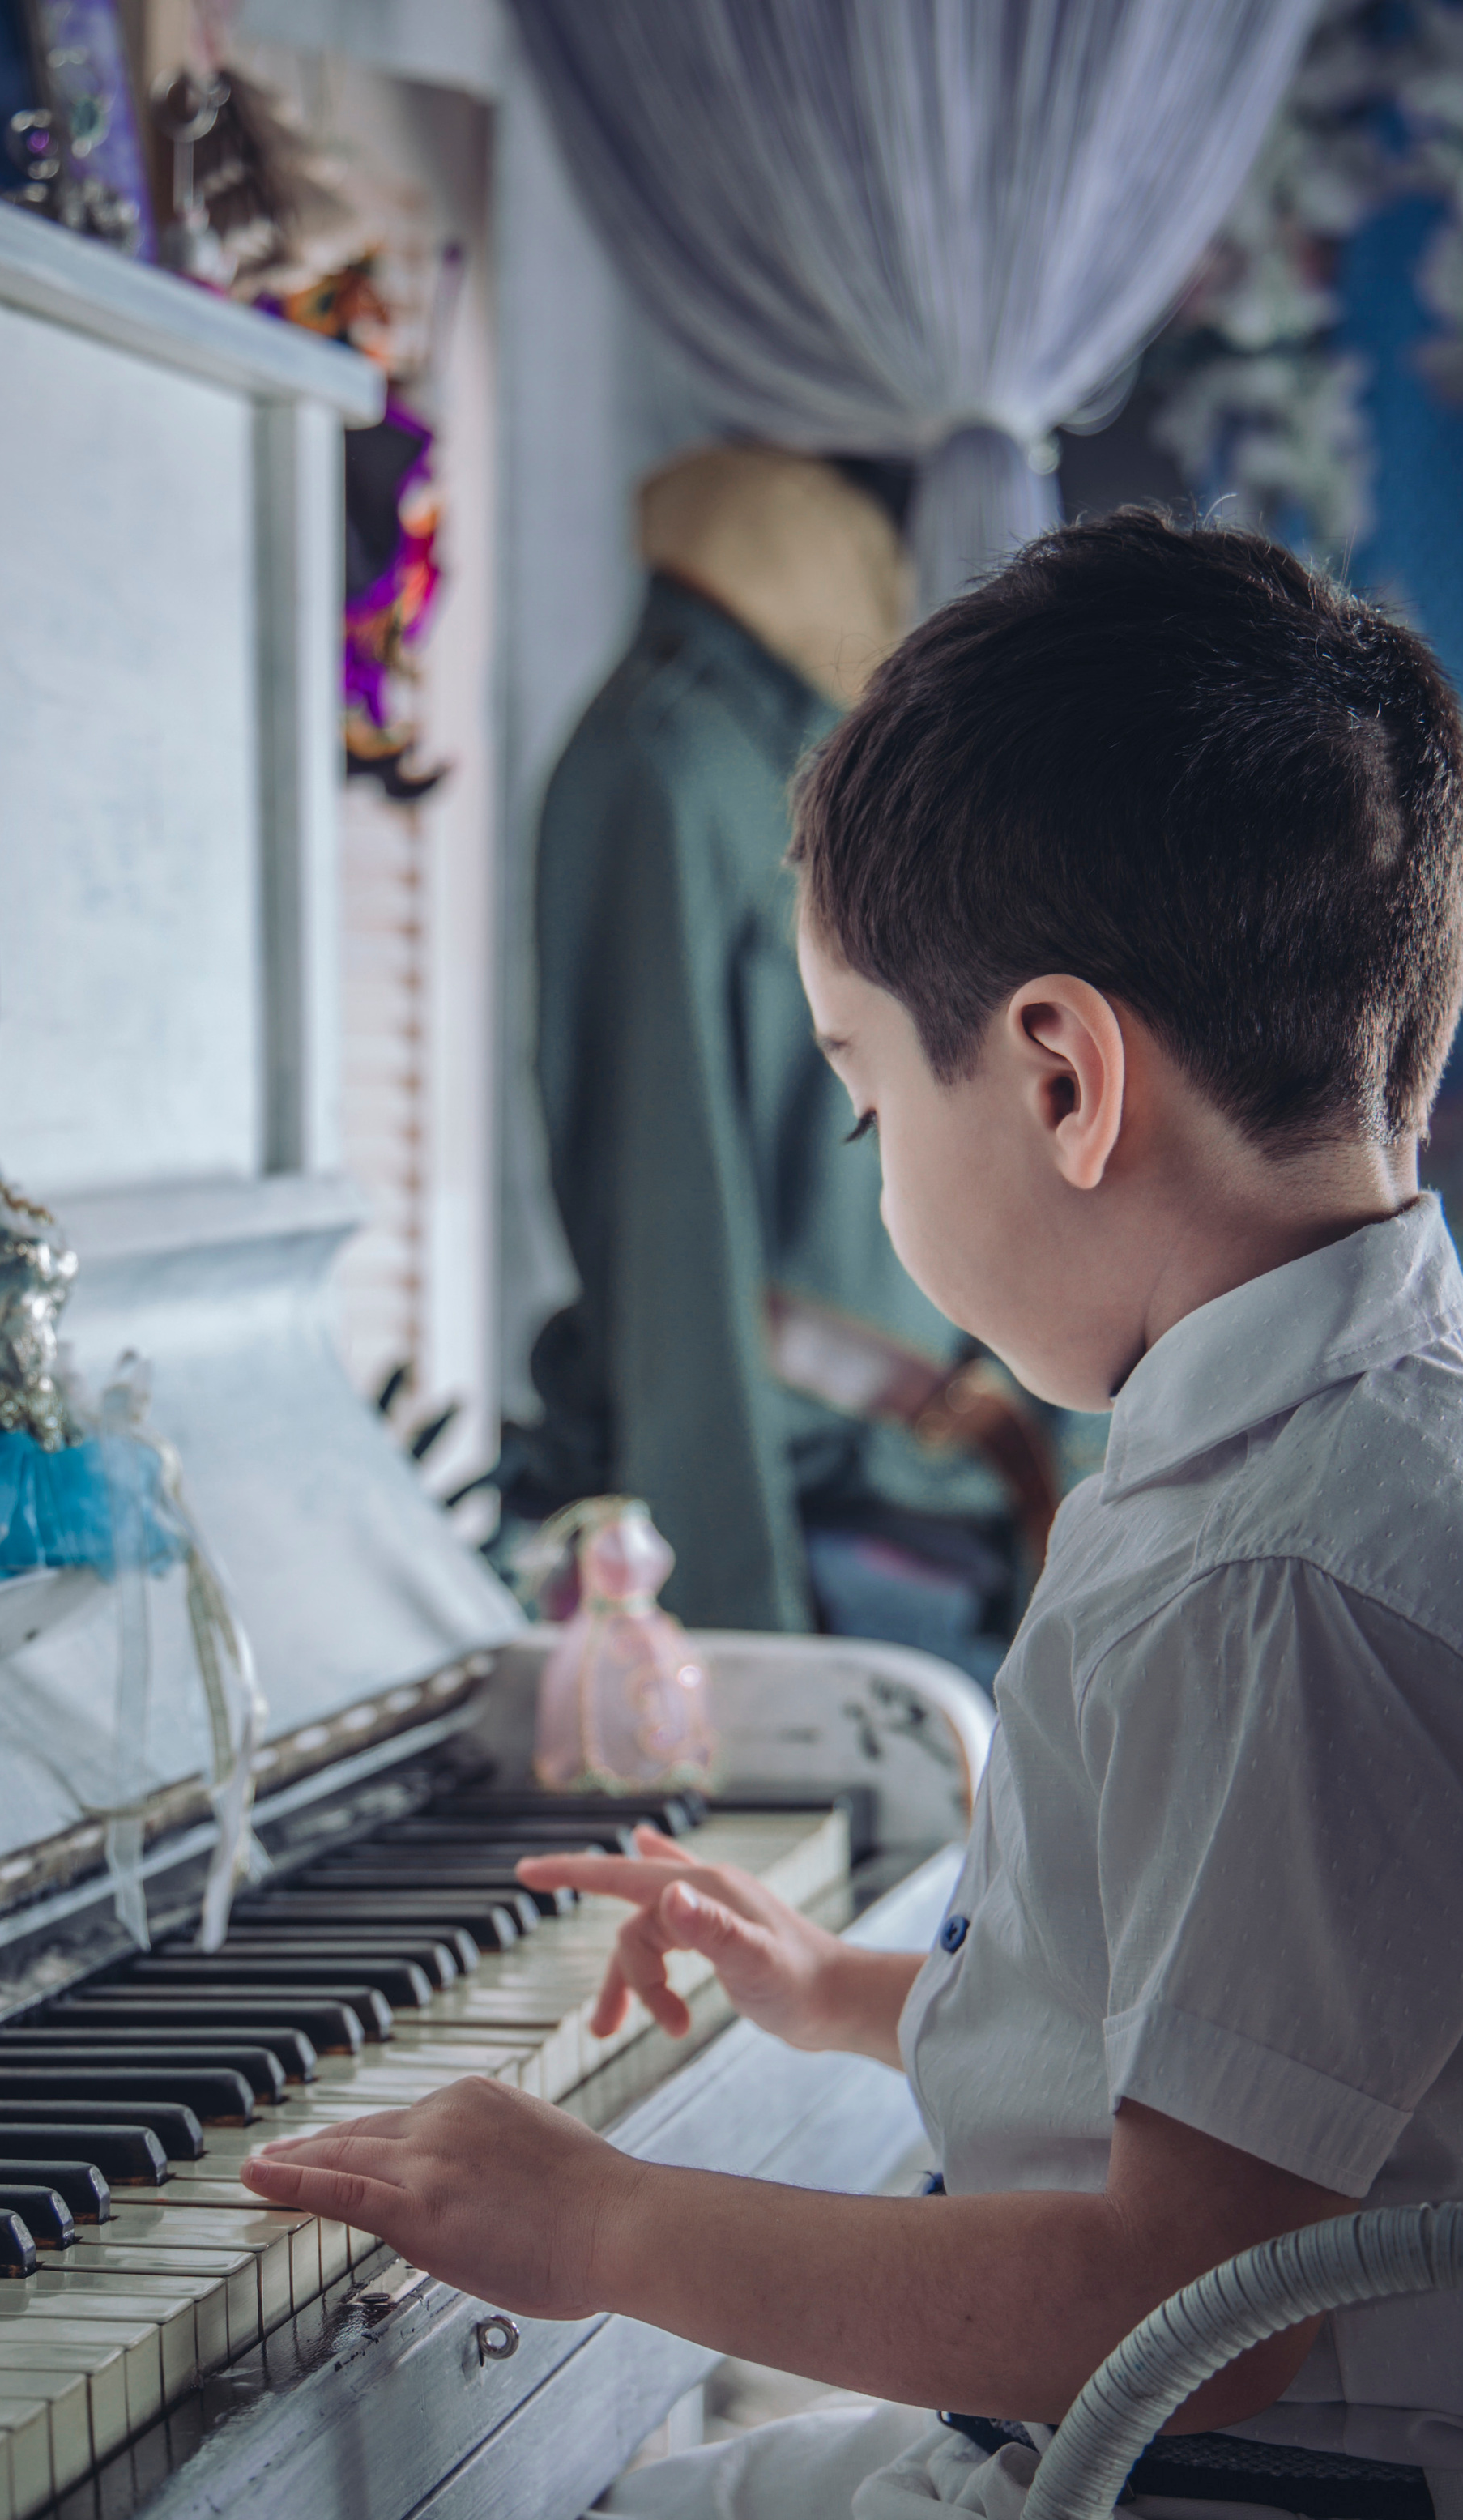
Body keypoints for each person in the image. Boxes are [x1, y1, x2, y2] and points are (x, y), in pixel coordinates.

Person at [245, 511, 1463, 2520]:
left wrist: (607, 2227)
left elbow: (1185, 2306)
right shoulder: (1318, 1427)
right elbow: (1249, 2046)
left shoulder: (1280, 1570)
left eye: (859, 1090)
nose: (873, 1170)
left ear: (1060, 1076)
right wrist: (842, 1993)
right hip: (1191, 2513)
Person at [502, 443, 1043, 1669]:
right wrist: (740, 1631)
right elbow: (669, 1216)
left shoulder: (849, 762)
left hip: (952, 1506)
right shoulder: (662, 759)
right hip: (801, 1539)